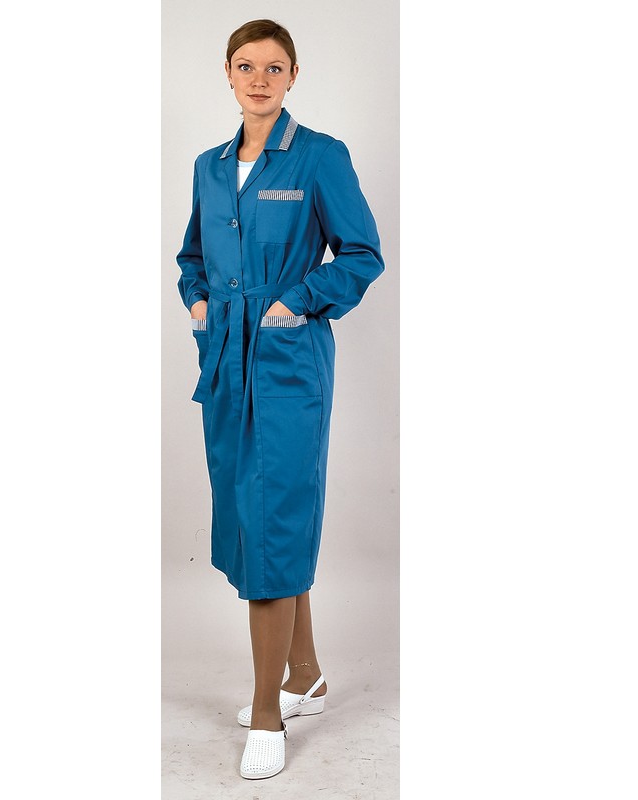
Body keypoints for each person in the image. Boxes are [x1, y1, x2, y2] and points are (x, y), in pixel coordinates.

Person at [176, 18, 385, 780]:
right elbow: (192, 256)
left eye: (273, 67)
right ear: (227, 74)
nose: (258, 79)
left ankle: (268, 713)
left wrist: (295, 301)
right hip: (226, 361)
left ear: (294, 75)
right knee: (250, 515)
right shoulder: (209, 166)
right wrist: (199, 304)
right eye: (245, 66)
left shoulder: (320, 156)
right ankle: (307, 676)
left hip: (289, 363)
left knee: (274, 520)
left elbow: (362, 255)